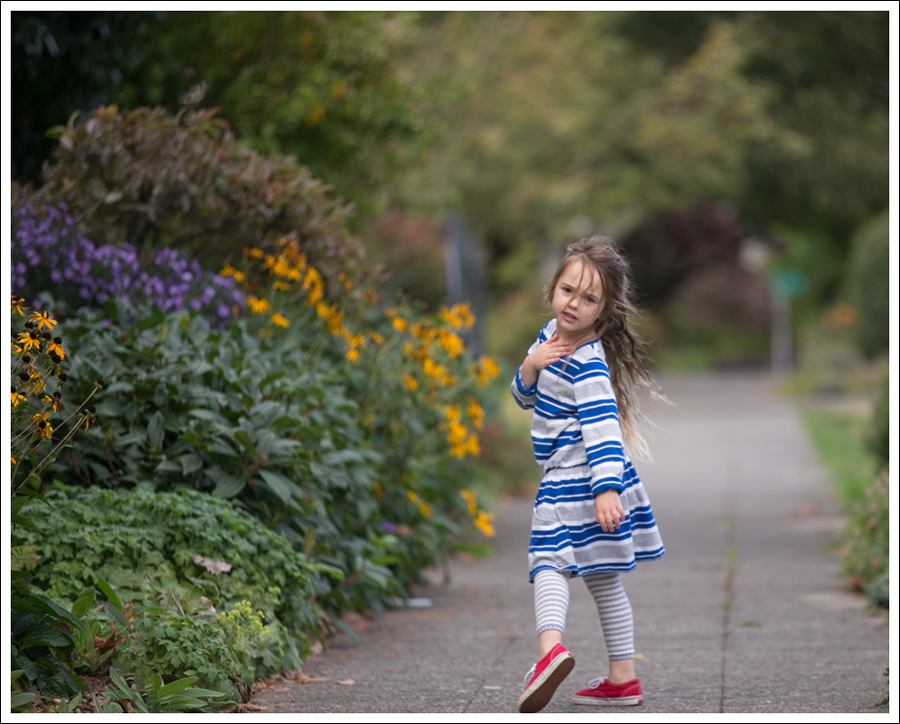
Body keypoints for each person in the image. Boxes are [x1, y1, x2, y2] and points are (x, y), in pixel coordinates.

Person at [510, 236, 666, 713]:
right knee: (603, 577)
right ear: (552, 289)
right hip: (583, 479)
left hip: (576, 481)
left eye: (588, 298)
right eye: (567, 291)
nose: (573, 304)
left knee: (548, 564)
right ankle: (623, 678)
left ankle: (549, 652)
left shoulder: (588, 363)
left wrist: (605, 490)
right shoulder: (548, 338)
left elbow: (603, 431)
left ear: (604, 311)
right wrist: (529, 365)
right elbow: (523, 398)